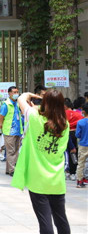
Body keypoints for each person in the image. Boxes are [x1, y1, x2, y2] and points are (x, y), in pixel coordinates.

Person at [11, 91, 71, 234]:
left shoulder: (34, 117)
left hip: (38, 179)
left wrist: (32, 95)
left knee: (45, 221)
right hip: (57, 180)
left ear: (45, 103)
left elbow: (21, 98)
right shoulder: (65, 124)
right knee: (61, 219)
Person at [0, 86, 22, 175]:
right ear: (9, 93)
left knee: (15, 151)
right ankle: (12, 170)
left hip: (17, 131)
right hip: (9, 131)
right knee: (11, 151)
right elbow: (1, 117)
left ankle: (9, 170)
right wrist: (1, 125)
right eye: (14, 92)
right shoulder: (6, 104)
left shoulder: (17, 103)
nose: (16, 94)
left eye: (17, 92)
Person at [64, 98, 83, 181]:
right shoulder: (78, 114)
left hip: (65, 134)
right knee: (74, 153)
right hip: (74, 134)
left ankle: (66, 171)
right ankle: (73, 172)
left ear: (65, 106)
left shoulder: (62, 114)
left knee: (65, 152)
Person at [75, 103, 88, 188]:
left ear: (83, 111)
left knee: (81, 163)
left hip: (83, 145)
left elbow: (77, 135)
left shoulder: (80, 122)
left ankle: (79, 181)